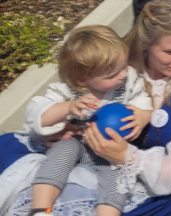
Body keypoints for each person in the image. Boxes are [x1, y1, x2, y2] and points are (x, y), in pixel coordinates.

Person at [0, 0, 171, 216]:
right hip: (83, 154)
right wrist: (56, 130)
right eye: (170, 51)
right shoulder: (119, 63)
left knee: (107, 192)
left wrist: (127, 155)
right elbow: (63, 97)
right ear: (146, 44)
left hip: (152, 179)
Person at [27, 27, 153, 216]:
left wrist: (143, 116)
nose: (123, 74)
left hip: (111, 149)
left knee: (118, 177)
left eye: (124, 66)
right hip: (77, 142)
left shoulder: (129, 83)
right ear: (82, 79)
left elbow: (144, 104)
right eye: (111, 75)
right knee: (63, 151)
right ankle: (40, 208)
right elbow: (38, 113)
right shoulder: (67, 91)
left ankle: (107, 212)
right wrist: (67, 108)